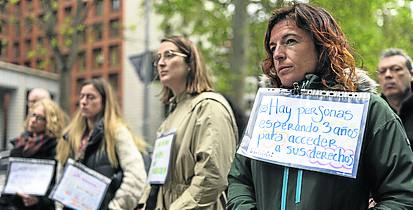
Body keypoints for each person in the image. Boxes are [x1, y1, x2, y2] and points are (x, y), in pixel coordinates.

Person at [227, 3, 413, 210]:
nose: (277, 54)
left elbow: (402, 196)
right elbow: (240, 180)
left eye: (290, 41)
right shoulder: (266, 112)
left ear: (323, 45)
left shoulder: (370, 112)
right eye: (273, 47)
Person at [139, 35, 238, 210]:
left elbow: (212, 177)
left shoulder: (209, 107)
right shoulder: (172, 114)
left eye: (169, 55)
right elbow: (157, 175)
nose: (161, 63)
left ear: (190, 63)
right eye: (158, 58)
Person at [55, 78, 147, 210]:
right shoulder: (70, 135)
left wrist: (116, 207)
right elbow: (61, 176)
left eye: (91, 97)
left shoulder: (117, 132)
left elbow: (136, 176)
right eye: (81, 96)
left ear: (104, 102)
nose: (84, 102)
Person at [2, 99, 67, 210]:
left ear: (50, 122)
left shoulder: (56, 148)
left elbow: (59, 185)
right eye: (33, 115)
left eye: (40, 118)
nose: (33, 120)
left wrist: (39, 199)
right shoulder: (20, 143)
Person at [377, 48, 413, 146]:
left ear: (411, 74)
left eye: (396, 69)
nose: (388, 75)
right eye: (382, 71)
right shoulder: (375, 112)